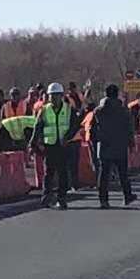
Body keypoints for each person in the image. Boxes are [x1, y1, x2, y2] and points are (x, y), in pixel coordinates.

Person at [29, 81, 82, 210]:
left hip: (63, 146)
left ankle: (61, 198)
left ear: (61, 95)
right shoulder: (44, 110)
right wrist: (32, 143)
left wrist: (68, 137)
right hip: (50, 145)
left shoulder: (68, 109)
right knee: (49, 173)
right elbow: (38, 127)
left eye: (56, 95)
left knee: (63, 172)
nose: (54, 98)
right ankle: (46, 196)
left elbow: (75, 125)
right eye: (52, 95)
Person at [91, 85, 137, 208]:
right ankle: (127, 196)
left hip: (104, 146)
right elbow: (129, 129)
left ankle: (103, 200)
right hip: (120, 145)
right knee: (123, 174)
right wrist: (131, 143)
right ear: (117, 95)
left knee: (104, 175)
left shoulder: (98, 111)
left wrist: (95, 142)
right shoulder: (124, 111)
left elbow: (92, 130)